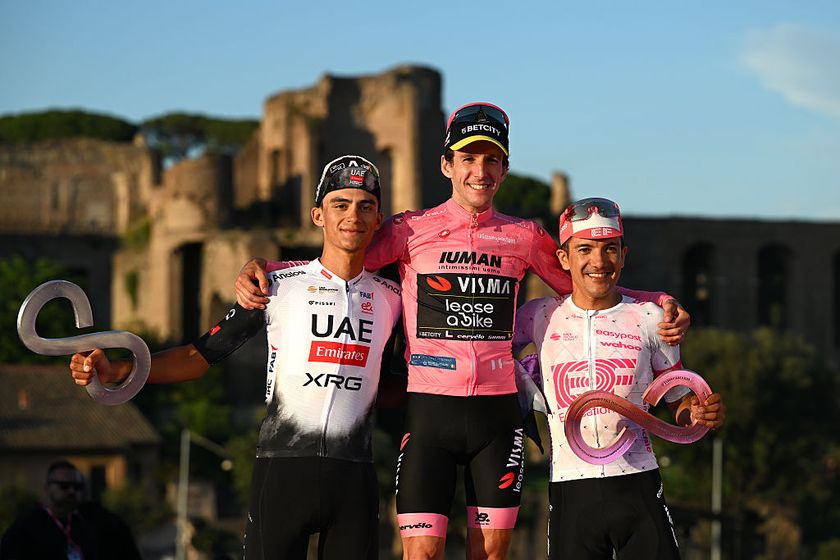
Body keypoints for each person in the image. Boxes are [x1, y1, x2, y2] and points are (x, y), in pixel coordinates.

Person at [233, 103, 691, 560]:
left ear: (505, 169)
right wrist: (271, 269)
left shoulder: (524, 235)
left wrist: (654, 300)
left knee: (490, 555)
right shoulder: (409, 229)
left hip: (497, 420)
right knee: (422, 555)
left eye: (491, 160)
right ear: (446, 165)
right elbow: (338, 262)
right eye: (468, 159)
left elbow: (588, 282)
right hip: (429, 415)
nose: (480, 171)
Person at [67, 155, 403, 560]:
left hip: (356, 474)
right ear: (317, 215)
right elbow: (198, 355)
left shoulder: (394, 298)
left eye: (365, 206)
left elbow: (407, 384)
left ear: (379, 218)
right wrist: (118, 369)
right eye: (340, 204)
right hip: (282, 470)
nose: (354, 215)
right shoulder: (275, 285)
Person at [512, 197, 725, 560]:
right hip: (569, 487)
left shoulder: (650, 318)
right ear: (564, 259)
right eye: (585, 249)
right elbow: (487, 352)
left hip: (638, 483)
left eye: (610, 249)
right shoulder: (538, 316)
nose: (599, 261)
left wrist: (699, 413)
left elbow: (678, 401)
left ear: (623, 255)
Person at [1, 460, 98, 560]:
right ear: (47, 488)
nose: (72, 491)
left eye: (77, 486)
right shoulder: (26, 527)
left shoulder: (87, 525)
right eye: (64, 485)